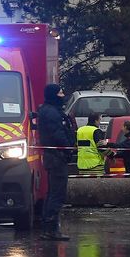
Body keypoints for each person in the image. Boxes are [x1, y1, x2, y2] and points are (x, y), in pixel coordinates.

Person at [35, 84, 74, 240]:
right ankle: (51, 229)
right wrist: (67, 149)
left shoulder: (50, 111)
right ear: (53, 95)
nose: (62, 94)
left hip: (54, 157)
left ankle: (49, 228)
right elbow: (58, 134)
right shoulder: (51, 113)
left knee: (53, 193)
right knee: (57, 194)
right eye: (60, 92)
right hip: (56, 157)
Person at [76, 113, 107, 177]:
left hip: (82, 165)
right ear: (96, 121)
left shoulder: (80, 130)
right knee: (96, 185)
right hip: (95, 165)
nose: (100, 122)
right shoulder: (96, 131)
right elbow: (101, 147)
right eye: (99, 120)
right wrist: (112, 155)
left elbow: (79, 145)